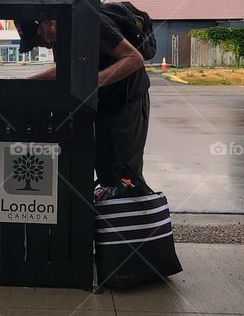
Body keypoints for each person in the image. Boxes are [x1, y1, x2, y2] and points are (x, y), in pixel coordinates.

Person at [16, 11, 153, 196]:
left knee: (127, 174)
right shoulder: (60, 37)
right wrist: (24, 83)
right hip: (103, 102)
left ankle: (139, 219)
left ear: (50, 21)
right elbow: (65, 71)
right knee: (105, 171)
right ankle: (112, 219)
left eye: (39, 37)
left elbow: (134, 59)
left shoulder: (91, 21)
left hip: (128, 99)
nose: (42, 45)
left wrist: (90, 83)